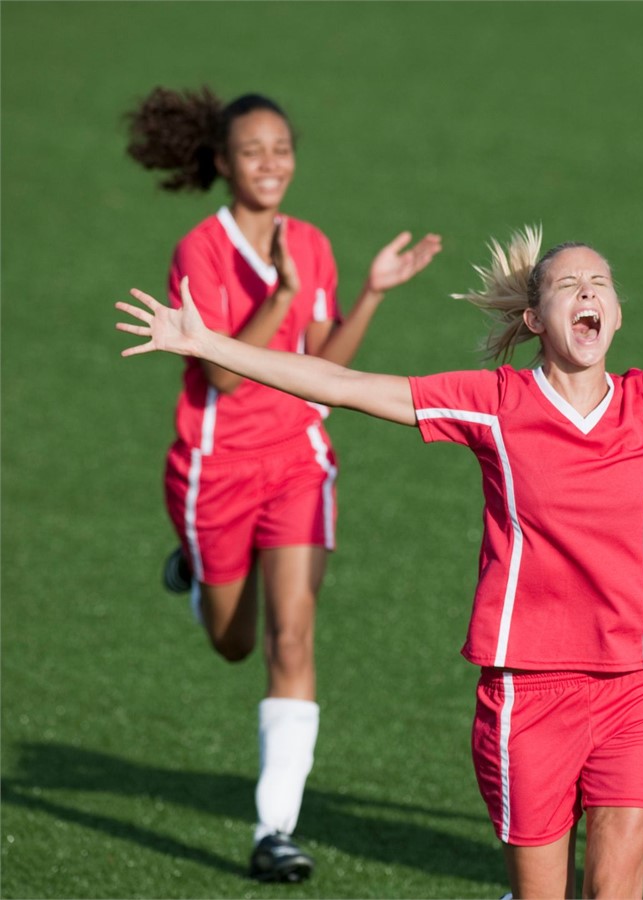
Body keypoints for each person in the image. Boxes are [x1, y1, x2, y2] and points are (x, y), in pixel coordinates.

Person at [119, 223, 643, 899]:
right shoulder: (492, 405)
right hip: (527, 693)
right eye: (569, 284)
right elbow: (345, 385)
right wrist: (208, 343)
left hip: (637, 687)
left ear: (617, 313)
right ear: (535, 320)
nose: (589, 292)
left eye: (600, 282)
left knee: (616, 892)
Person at [123, 86, 442, 882]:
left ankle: (275, 830)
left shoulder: (314, 242)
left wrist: (368, 290)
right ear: (224, 164)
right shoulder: (200, 250)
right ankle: (198, 575)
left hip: (299, 458)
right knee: (235, 644)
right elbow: (221, 378)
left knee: (293, 637)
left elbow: (325, 368)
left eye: (282, 148)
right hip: (216, 466)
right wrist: (286, 296)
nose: (272, 163)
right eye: (253, 152)